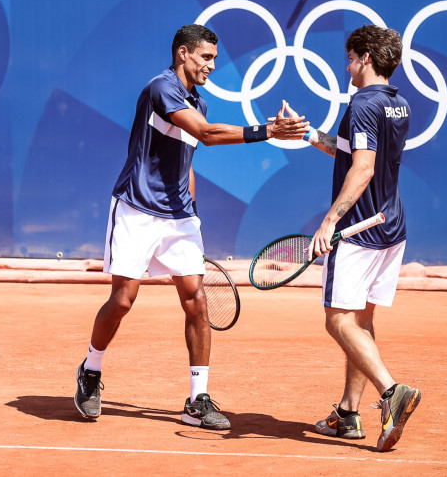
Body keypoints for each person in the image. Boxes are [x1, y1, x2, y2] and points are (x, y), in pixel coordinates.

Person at [74, 24, 308, 429]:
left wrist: (192, 213)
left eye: (214, 58)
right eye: (206, 57)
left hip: (180, 215)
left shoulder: (199, 100)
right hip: (137, 208)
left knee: (196, 299)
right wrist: (267, 131)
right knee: (124, 299)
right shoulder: (161, 88)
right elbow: (206, 135)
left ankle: (197, 399)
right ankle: (90, 370)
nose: (212, 66)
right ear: (183, 53)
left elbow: (188, 158)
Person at [291, 24, 420, 451]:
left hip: (359, 231)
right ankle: (349, 413)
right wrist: (307, 134)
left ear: (365, 57)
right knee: (361, 322)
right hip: (390, 226)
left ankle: (391, 391)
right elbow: (348, 149)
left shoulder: (363, 102)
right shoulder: (396, 103)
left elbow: (362, 168)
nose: (346, 66)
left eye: (349, 58)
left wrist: (329, 222)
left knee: (338, 320)